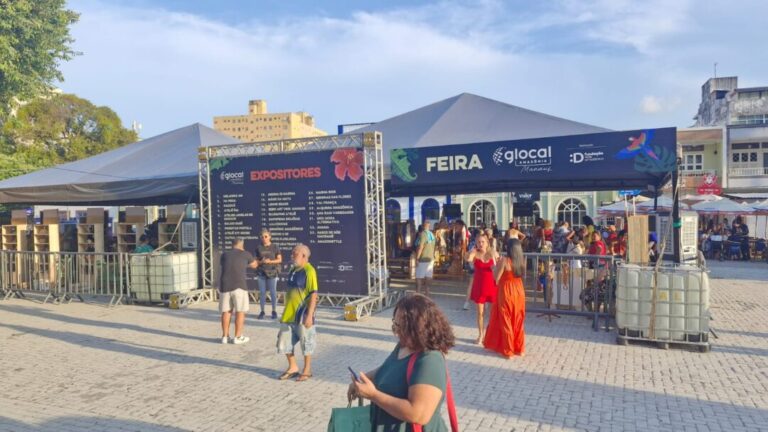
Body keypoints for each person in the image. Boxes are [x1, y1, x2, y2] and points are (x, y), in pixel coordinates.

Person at [347, 295, 455, 431]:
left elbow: (419, 414)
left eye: (400, 326)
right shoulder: (404, 345)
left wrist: (373, 395)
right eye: (395, 323)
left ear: (418, 328)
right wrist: (364, 379)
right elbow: (390, 368)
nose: (396, 330)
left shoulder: (430, 360)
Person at [277, 244, 318, 382]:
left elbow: (313, 294)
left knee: (306, 344)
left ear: (304, 256)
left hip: (303, 315)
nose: (292, 255)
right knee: (283, 342)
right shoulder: (293, 270)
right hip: (288, 315)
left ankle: (307, 370)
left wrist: (310, 315)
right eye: (292, 253)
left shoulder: (309, 271)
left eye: (295, 253)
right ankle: (293, 367)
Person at [484, 238, 526, 358]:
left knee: (506, 319)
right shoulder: (522, 260)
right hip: (519, 290)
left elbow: (496, 278)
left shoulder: (505, 260)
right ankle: (520, 348)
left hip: (506, 291)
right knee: (518, 319)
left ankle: (508, 350)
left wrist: (493, 268)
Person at [219, 238, 259, 344]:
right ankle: (238, 336)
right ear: (242, 245)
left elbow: (227, 265)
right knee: (240, 311)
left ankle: (225, 336)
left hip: (224, 286)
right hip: (239, 286)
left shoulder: (224, 255)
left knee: (226, 311)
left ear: (232, 245)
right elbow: (254, 265)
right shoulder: (246, 254)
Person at [466, 233, 498, 344]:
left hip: (492, 286)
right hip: (479, 287)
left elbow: (500, 264)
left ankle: (492, 334)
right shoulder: (475, 254)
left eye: (482, 242)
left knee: (493, 313)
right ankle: (481, 335)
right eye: (478, 242)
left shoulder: (492, 253)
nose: (480, 244)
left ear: (487, 243)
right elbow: (469, 260)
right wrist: (472, 251)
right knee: (480, 313)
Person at [255, 229, 282, 319]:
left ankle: (274, 311)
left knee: (273, 293)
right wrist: (261, 261)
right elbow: (255, 261)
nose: (264, 238)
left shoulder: (275, 247)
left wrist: (270, 261)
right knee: (262, 293)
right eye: (262, 237)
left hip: (272, 273)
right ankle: (262, 311)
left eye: (266, 236)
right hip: (261, 273)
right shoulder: (258, 247)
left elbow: (279, 260)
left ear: (270, 237)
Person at [414, 221, 436, 297]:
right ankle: (427, 296)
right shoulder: (432, 235)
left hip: (423, 259)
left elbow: (421, 247)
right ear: (429, 226)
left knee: (419, 278)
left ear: (423, 226)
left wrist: (417, 258)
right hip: (431, 259)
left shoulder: (423, 234)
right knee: (428, 279)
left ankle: (418, 296)